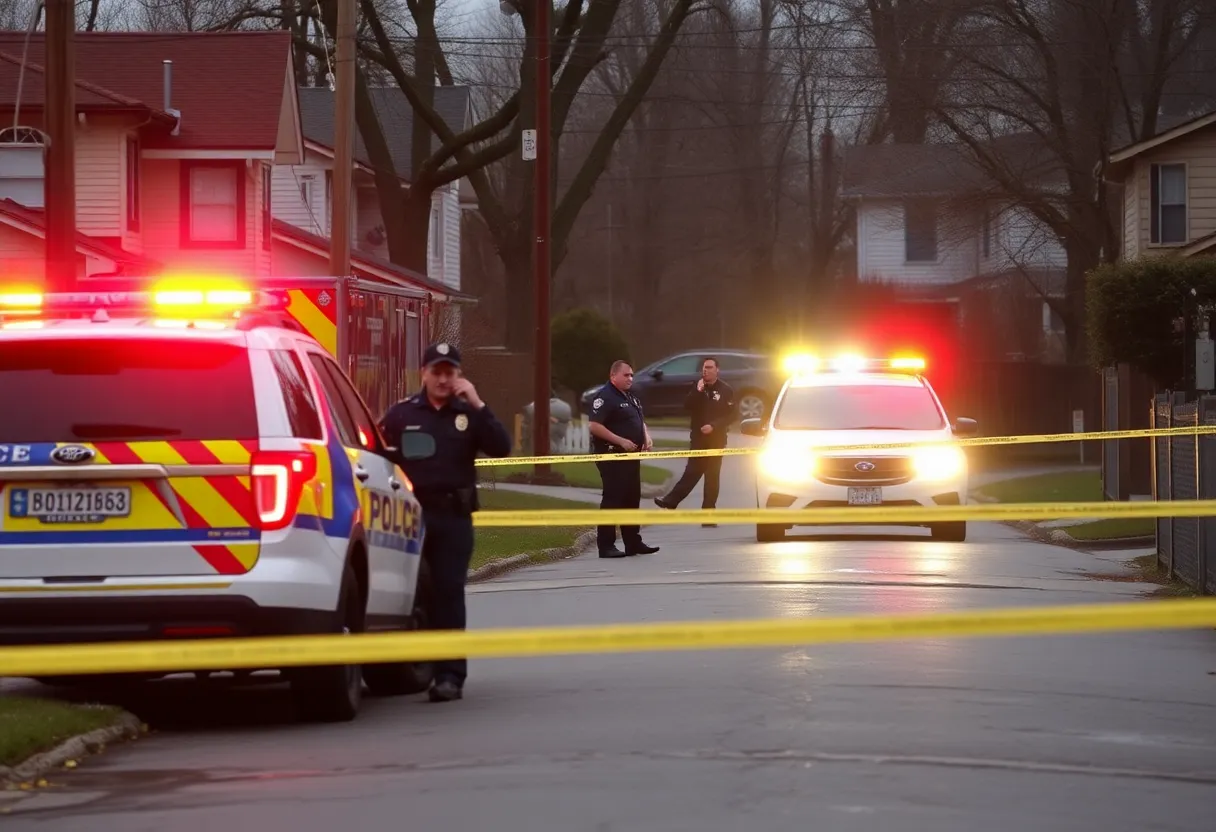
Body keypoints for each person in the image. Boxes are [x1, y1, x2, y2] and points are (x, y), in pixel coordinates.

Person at [378, 342, 512, 702]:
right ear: (423, 373)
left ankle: (450, 675)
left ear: (458, 375)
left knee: (449, 591)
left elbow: (502, 447)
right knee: (414, 592)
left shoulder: (468, 414)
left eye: (449, 372)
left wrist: (478, 403)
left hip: (453, 517)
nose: (442, 379)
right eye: (436, 372)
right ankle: (409, 668)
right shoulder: (402, 415)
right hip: (410, 517)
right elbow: (376, 455)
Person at [587, 360, 661, 559]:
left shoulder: (630, 397)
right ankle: (606, 545)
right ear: (613, 376)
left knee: (631, 498)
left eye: (631, 375)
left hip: (631, 457)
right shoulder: (605, 397)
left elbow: (639, 420)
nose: (630, 378)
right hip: (612, 455)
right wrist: (620, 440)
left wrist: (646, 436)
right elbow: (594, 426)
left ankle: (632, 542)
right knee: (612, 499)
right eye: (626, 375)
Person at [654, 356, 735, 526]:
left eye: (709, 367)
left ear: (717, 370)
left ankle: (708, 515)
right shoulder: (697, 387)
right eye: (704, 368)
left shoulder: (726, 390)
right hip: (698, 439)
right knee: (692, 471)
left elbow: (732, 415)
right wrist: (697, 391)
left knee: (712, 477)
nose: (705, 370)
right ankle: (670, 501)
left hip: (716, 440)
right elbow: (687, 406)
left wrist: (714, 425)